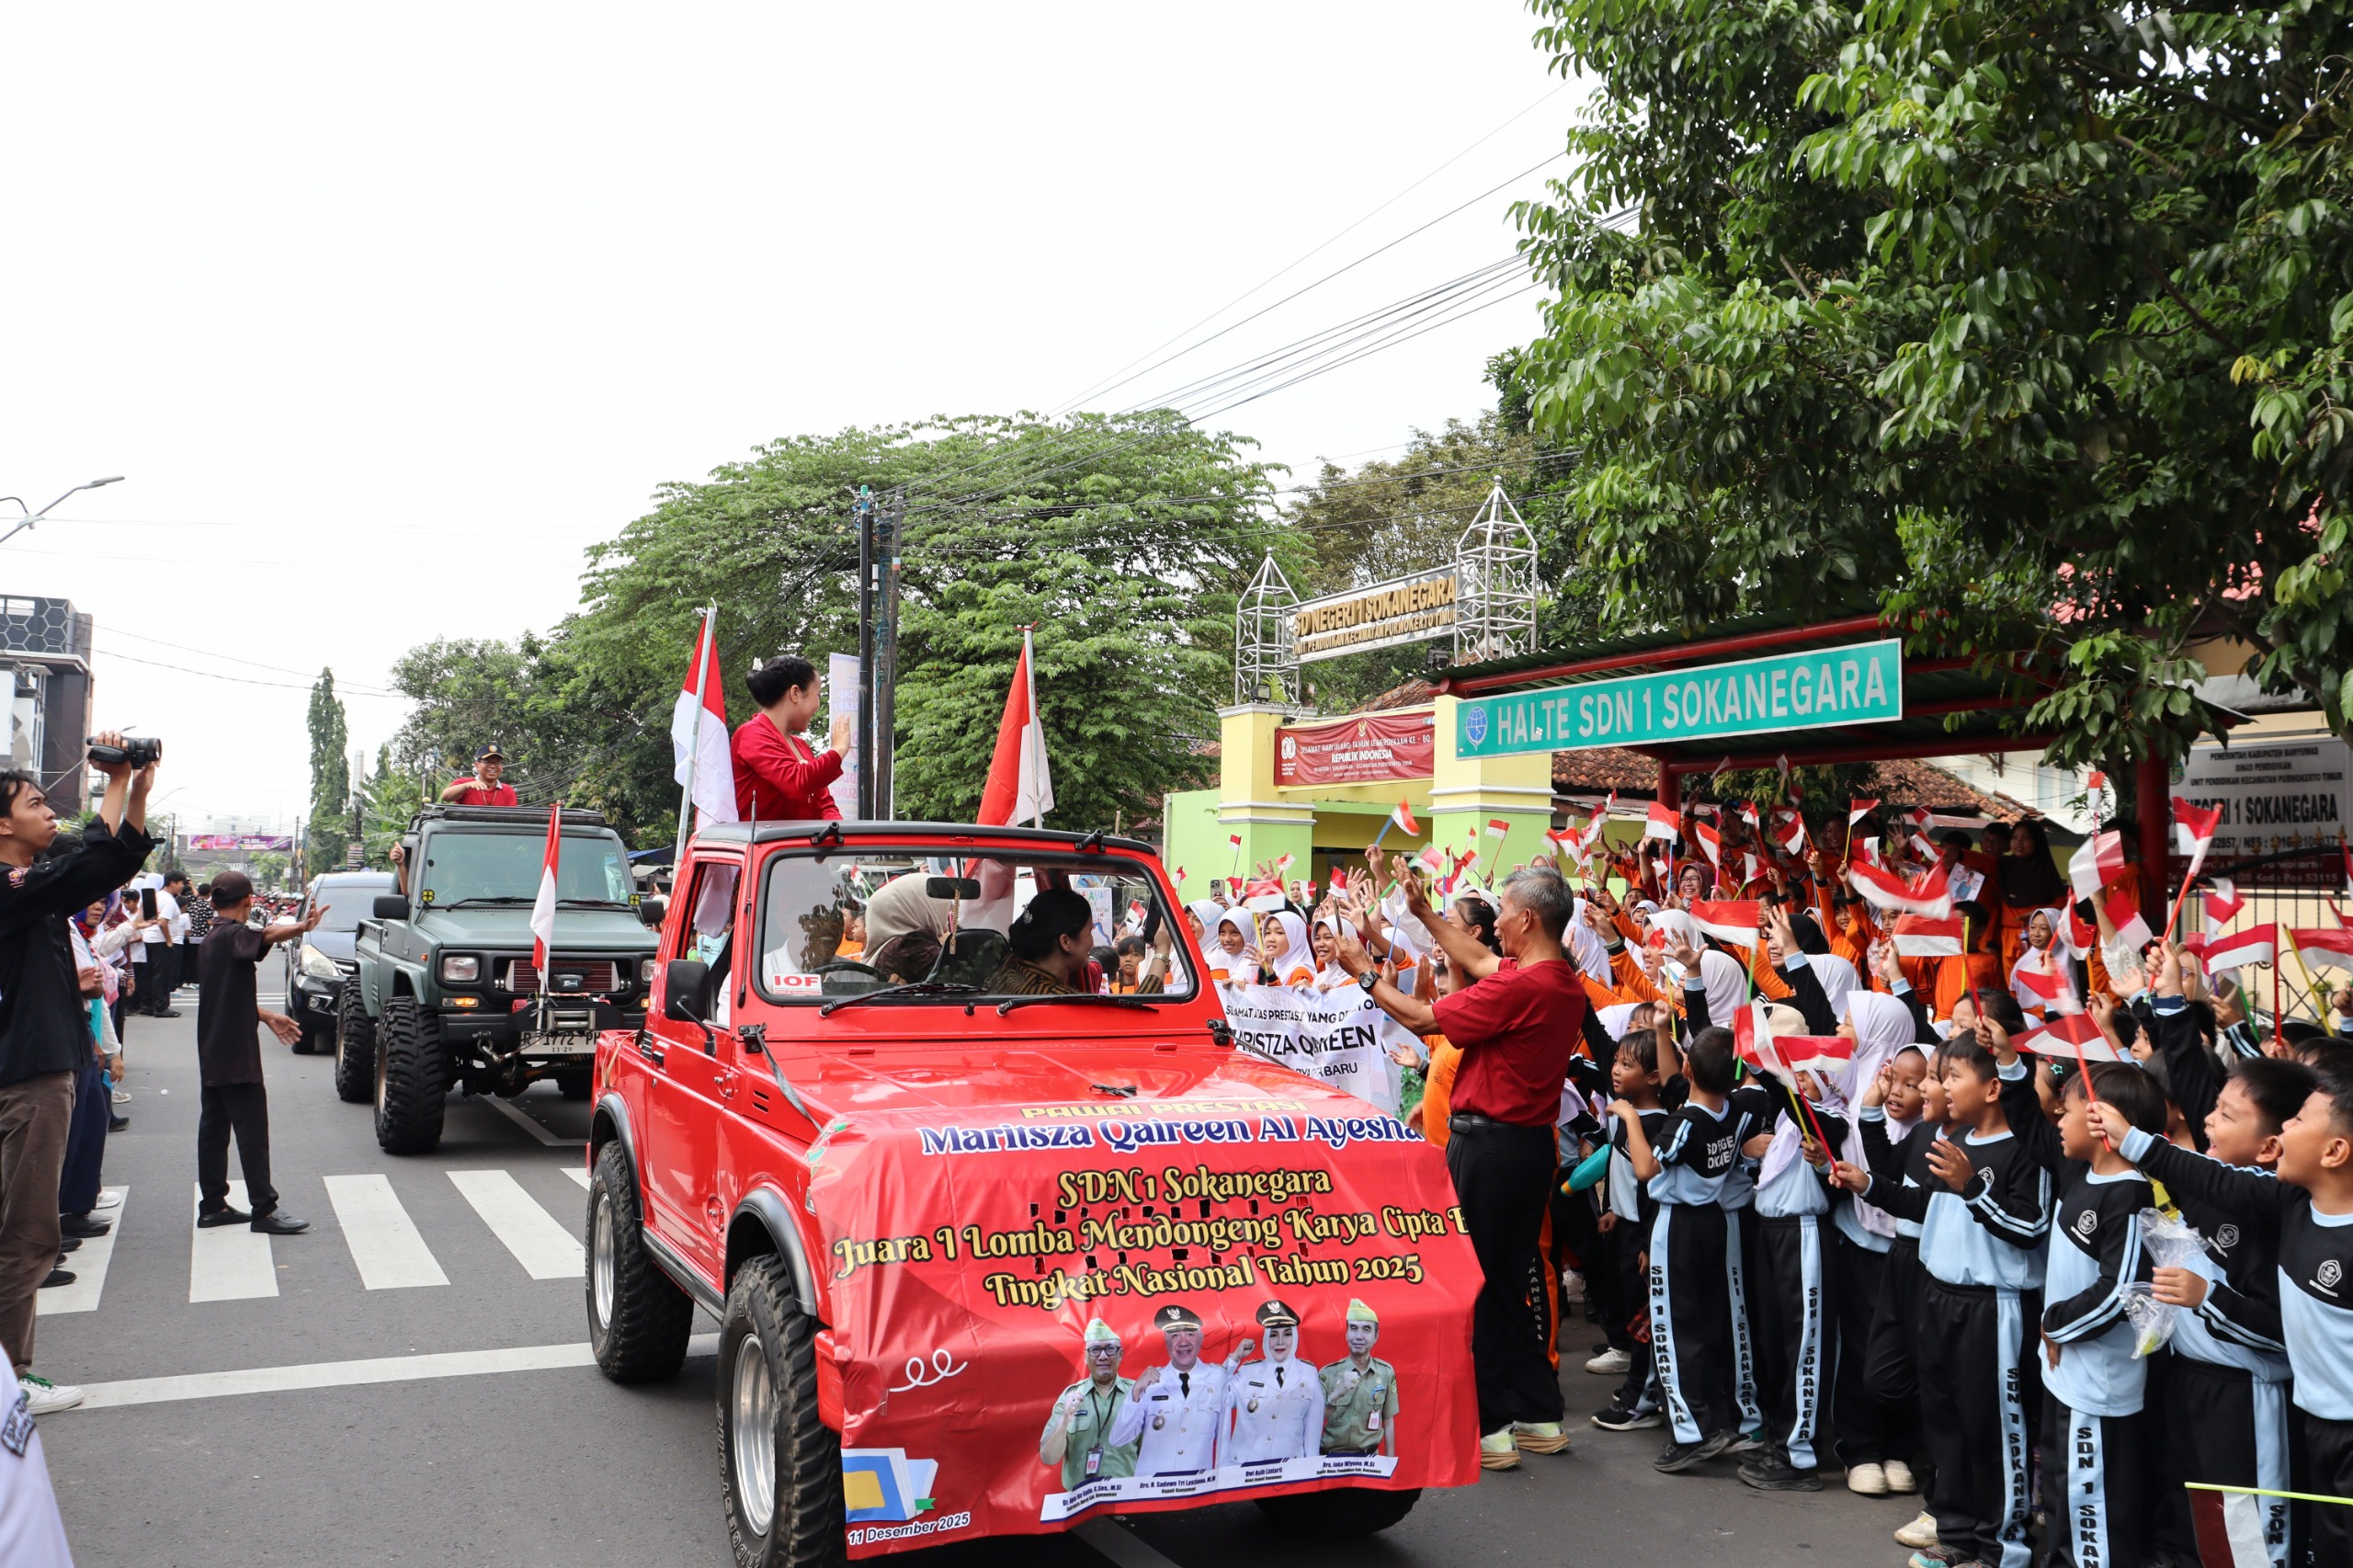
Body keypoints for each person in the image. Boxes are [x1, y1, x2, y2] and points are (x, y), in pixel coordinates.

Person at [1332, 860, 1582, 1471]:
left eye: (1501, 911)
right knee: (1504, 1281)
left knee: (1476, 1283)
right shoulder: (1558, 980)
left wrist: (1365, 974)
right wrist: (1421, 913)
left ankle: (1491, 1425)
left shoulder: (1520, 986)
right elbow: (1480, 960)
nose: (1493, 924)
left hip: (1489, 1148)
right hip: (1525, 1149)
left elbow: (1421, 1018)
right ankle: (1537, 1414)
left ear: (1526, 918)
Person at [0, 734, 154, 1415]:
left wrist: (131, 788)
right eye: (36, 803)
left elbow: (101, 860)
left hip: (38, 1069)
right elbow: (91, 862)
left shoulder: (28, 888)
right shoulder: (14, 887)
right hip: (29, 1081)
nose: (48, 812)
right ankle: (11, 1381)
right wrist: (118, 785)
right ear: (4, 824)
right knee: (27, 1233)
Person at [193, 870, 322, 1235]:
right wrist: (301, 927)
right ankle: (264, 1209)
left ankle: (213, 1204)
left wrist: (265, 1016)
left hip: (213, 1047)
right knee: (251, 1130)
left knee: (214, 1129)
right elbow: (262, 935)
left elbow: (225, 997)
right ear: (249, 900)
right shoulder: (232, 934)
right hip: (235, 1051)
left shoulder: (212, 938)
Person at [1107, 1303, 1233, 1475]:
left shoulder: (1218, 1379)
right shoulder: (1149, 1383)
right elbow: (1118, 1439)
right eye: (1175, 1336)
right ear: (1166, 1340)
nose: (1183, 1343)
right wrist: (1135, 1394)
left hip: (1196, 1487)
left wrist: (1223, 1484)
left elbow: (1223, 1443)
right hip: (1152, 1490)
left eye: (1190, 1334)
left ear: (1201, 1338)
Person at [732, 656, 850, 821]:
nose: (818, 705)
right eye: (818, 695)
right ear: (795, 693)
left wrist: (841, 835)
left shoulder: (801, 745)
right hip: (766, 845)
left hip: (801, 845)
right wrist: (838, 750)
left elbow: (824, 804)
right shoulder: (751, 734)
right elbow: (796, 783)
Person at [1039, 1319, 1138, 1491]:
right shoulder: (1070, 1397)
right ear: (1085, 1357)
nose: (1103, 1356)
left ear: (1120, 1354)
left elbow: (1154, 1452)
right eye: (1095, 1350)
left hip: (1127, 1497)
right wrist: (1065, 1419)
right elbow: (1048, 1457)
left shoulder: (1138, 1394)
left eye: (1110, 1349)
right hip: (1081, 1502)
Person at [1222, 1299, 1324, 1463]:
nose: (1280, 1342)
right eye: (1274, 1335)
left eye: (1287, 1334)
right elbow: (1214, 1397)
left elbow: (1312, 1439)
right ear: (1265, 1338)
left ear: (1295, 1337)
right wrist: (1235, 1358)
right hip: (1246, 1471)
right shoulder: (1248, 1372)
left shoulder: (1309, 1374)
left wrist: (1311, 1472)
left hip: (1290, 1473)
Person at [1318, 1299, 1399, 1457]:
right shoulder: (1328, 1374)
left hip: (1369, 1461)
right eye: (1353, 1328)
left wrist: (1390, 1463)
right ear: (1346, 1334)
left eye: (1366, 1330)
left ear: (1376, 1336)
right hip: (1331, 1459)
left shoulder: (1385, 1373)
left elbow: (1388, 1422)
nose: (1359, 1336)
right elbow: (1313, 1422)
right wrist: (1337, 1394)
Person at [986, 889, 1093, 996]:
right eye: (1090, 932)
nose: (1093, 942)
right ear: (1065, 942)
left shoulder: (1011, 965)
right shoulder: (1061, 1001)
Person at [136, 873, 181, 1017]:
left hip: (150, 938)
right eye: (181, 883)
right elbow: (162, 922)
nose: (182, 886)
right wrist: (169, 940)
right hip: (160, 940)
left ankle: (147, 1005)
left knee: (150, 973)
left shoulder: (158, 895)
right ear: (172, 883)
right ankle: (161, 1007)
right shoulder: (168, 901)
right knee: (162, 975)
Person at [439, 744, 518, 806]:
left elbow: (513, 817)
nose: (493, 766)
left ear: (501, 767)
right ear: (477, 765)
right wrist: (466, 786)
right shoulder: (465, 783)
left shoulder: (508, 790)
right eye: (487, 762)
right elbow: (446, 797)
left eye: (497, 762)